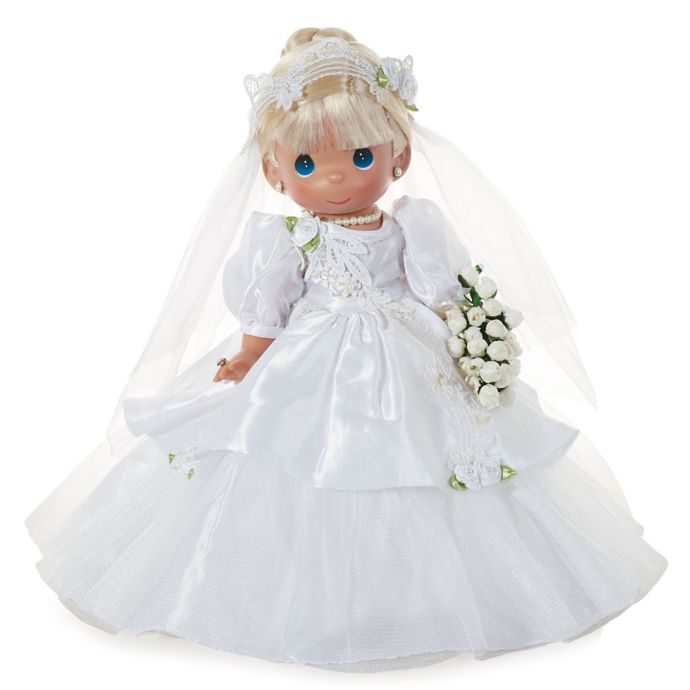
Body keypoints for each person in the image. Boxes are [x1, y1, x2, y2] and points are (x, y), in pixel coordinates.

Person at [25, 26, 668, 673]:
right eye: (307, 164)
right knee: (290, 455)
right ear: (275, 171)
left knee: (431, 453)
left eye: (361, 156)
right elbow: (268, 307)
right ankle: (286, 597)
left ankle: (425, 594)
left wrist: (467, 338)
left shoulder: (412, 224)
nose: (335, 176)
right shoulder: (285, 238)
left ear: (399, 156)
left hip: (407, 349)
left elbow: (435, 289)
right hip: (310, 359)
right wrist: (249, 355)